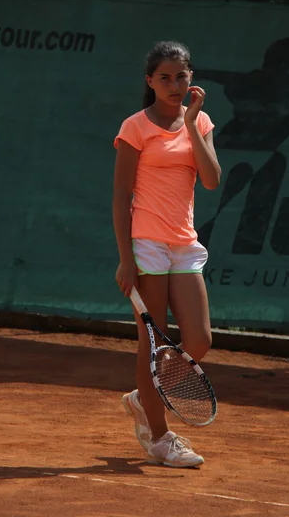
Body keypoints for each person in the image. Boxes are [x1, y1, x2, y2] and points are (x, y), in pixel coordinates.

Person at [113, 40, 221, 468]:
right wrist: (126, 258)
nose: (174, 85)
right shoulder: (135, 127)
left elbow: (211, 180)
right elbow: (121, 197)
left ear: (191, 77)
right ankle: (159, 438)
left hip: (184, 243)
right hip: (146, 245)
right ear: (150, 81)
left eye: (181, 76)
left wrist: (192, 124)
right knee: (152, 349)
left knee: (199, 339)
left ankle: (145, 397)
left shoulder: (202, 121)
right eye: (165, 78)